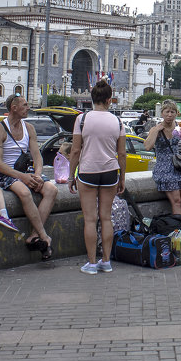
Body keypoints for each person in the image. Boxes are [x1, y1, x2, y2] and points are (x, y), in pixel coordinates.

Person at [0, 95, 59, 259]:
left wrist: (37, 174)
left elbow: (37, 156)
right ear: (14, 108)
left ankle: (33, 235)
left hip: (26, 172)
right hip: (7, 174)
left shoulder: (29, 128)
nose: (28, 108)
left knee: (51, 190)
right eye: (25, 105)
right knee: (25, 193)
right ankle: (43, 236)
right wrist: (23, 177)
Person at [68, 80, 126, 274]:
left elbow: (75, 151)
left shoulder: (82, 119)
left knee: (90, 220)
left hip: (88, 172)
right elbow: (122, 154)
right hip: (110, 172)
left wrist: (71, 176)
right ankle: (106, 261)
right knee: (106, 218)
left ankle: (92, 263)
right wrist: (122, 178)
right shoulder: (117, 121)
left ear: (92, 98)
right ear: (109, 100)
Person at [143, 100, 181, 219]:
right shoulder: (156, 129)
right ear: (162, 113)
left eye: (172, 112)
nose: (169, 115)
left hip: (178, 167)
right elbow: (147, 146)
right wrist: (156, 131)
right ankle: (180, 231)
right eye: (167, 112)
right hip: (164, 168)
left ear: (176, 113)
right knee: (177, 201)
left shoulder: (180, 127)